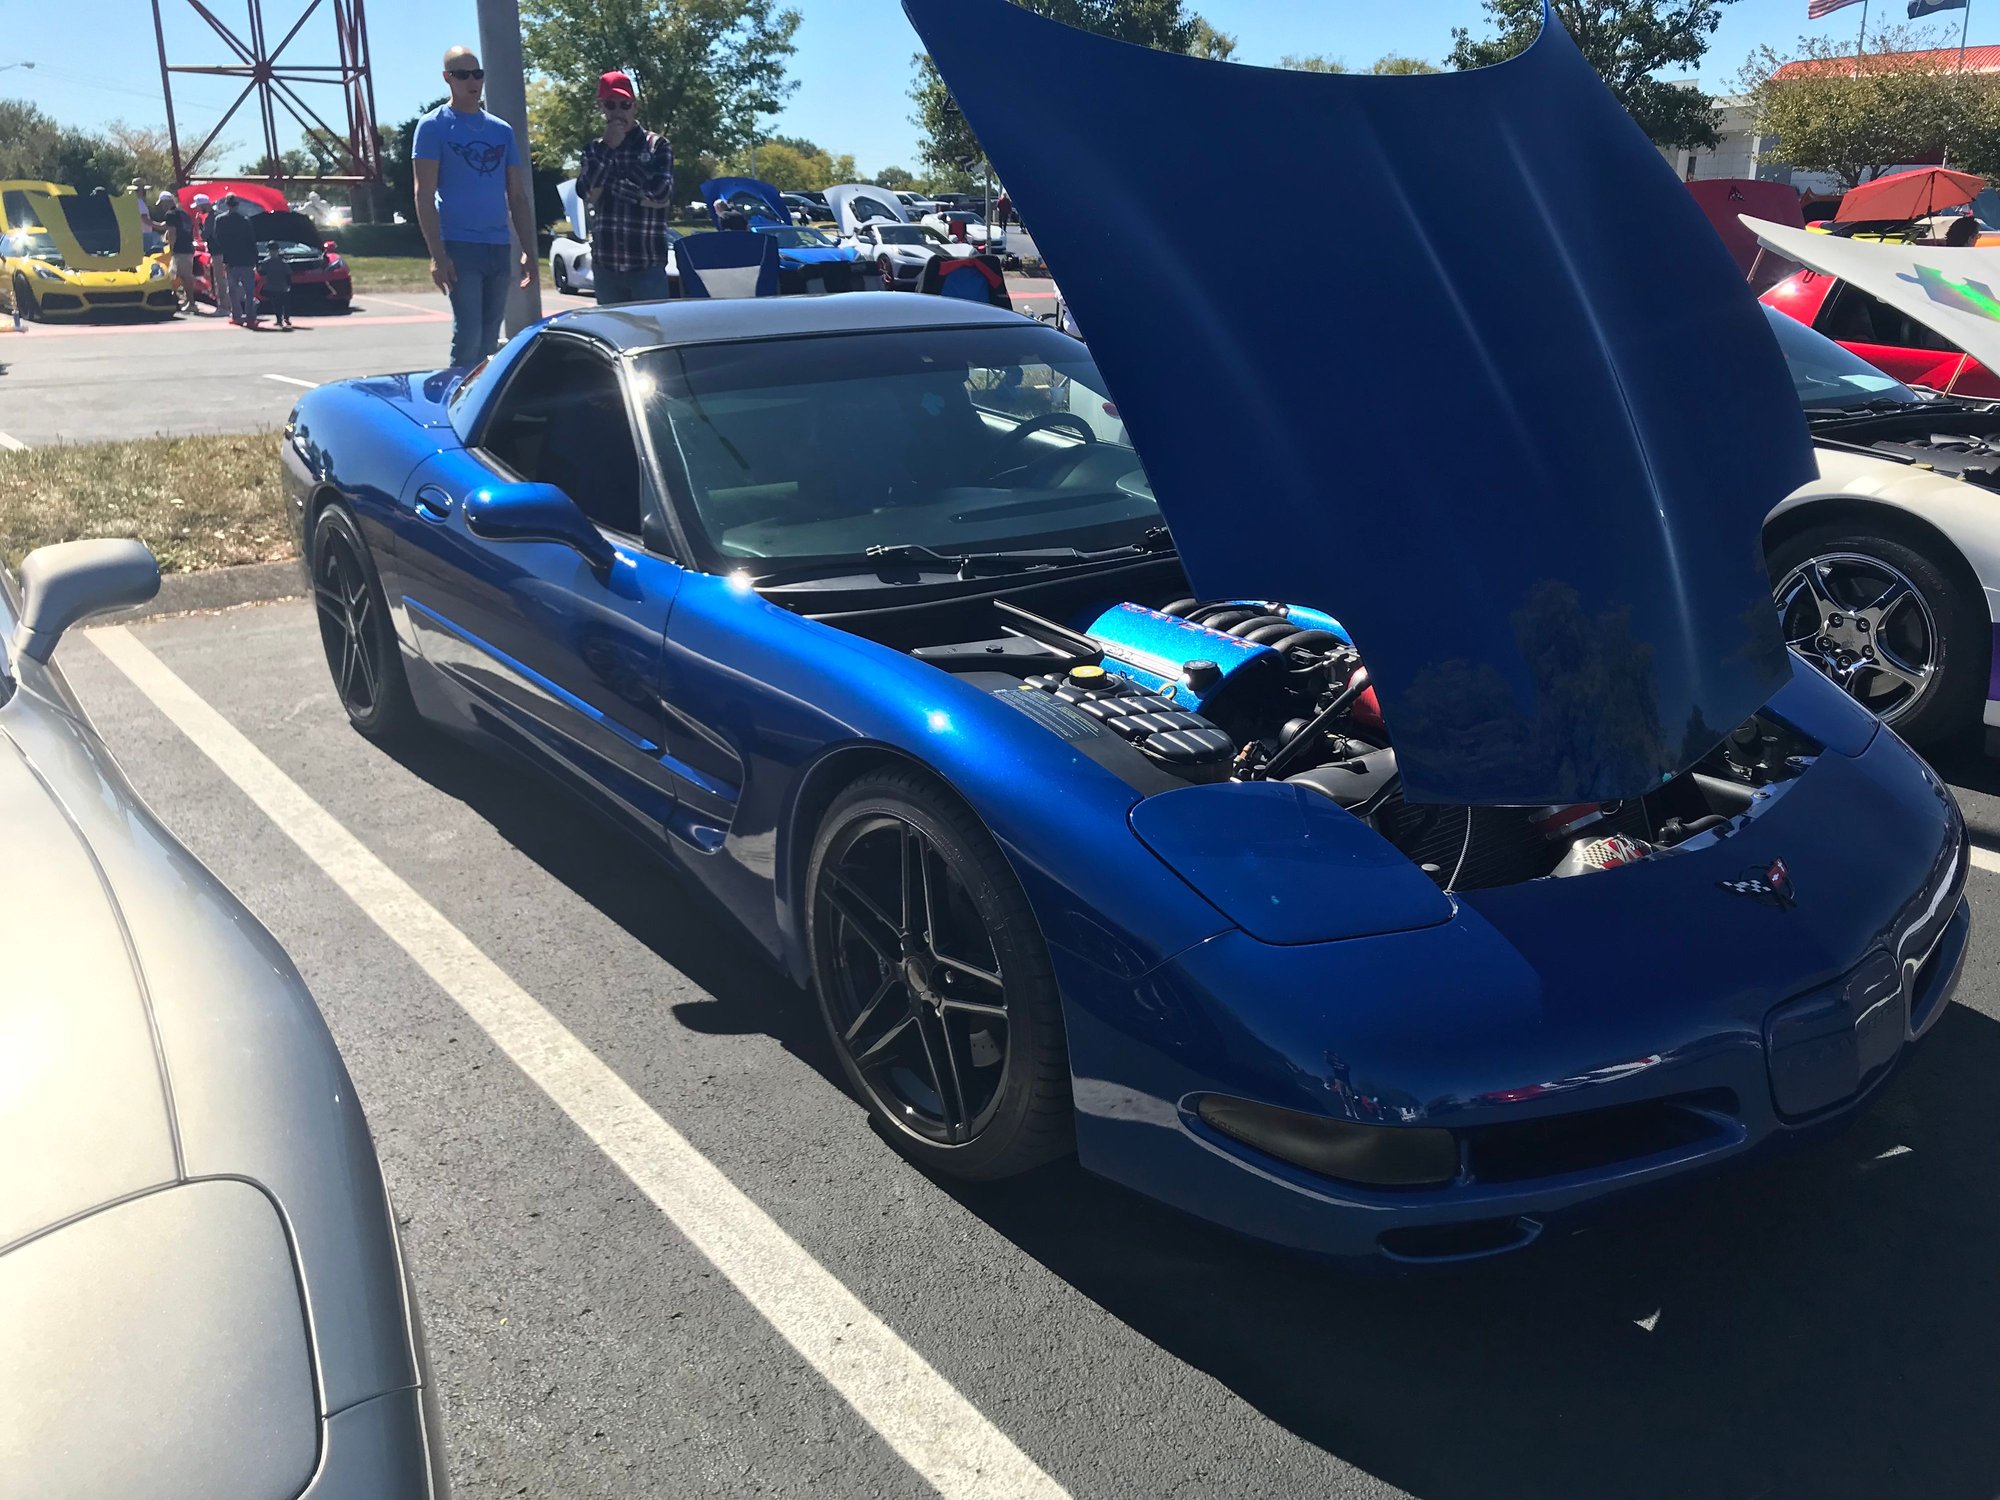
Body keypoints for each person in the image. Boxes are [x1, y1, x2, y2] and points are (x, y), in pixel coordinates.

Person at [412, 45, 535, 365]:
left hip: (497, 244)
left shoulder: (501, 130)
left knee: (489, 339)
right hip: (459, 245)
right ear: (447, 79)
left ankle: (479, 407)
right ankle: (454, 406)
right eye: (462, 74)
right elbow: (423, 195)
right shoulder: (433, 126)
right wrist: (438, 256)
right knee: (468, 337)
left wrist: (527, 250)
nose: (472, 81)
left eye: (477, 74)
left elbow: (517, 196)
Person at [576, 70, 676, 305]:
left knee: (653, 336)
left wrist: (620, 188)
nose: (618, 112)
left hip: (646, 264)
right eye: (611, 105)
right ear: (602, 108)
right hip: (606, 266)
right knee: (613, 336)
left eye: (625, 104)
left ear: (635, 107)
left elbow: (662, 194)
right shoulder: (593, 150)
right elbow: (588, 193)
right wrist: (609, 148)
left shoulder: (657, 145)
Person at [206, 195, 261, 327]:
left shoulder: (220, 220)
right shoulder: (245, 220)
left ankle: (237, 316)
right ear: (237, 205)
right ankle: (250, 318)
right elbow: (251, 241)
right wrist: (256, 259)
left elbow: (217, 239)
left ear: (226, 204)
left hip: (230, 259)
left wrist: (226, 255)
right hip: (246, 259)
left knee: (233, 289)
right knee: (249, 290)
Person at [155, 191, 200, 315]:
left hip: (179, 249)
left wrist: (171, 248)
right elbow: (164, 226)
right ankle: (188, 301)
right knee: (183, 276)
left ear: (167, 202)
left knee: (183, 277)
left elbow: (172, 232)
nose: (162, 206)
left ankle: (191, 303)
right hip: (188, 248)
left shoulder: (170, 214)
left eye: (163, 203)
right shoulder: (183, 213)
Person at [258, 240, 294, 330]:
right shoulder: (267, 262)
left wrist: (289, 284)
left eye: (274, 251)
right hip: (272, 286)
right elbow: (261, 272)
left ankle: (286, 318)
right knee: (276, 304)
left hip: (282, 287)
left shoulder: (281, 262)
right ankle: (279, 319)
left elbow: (288, 275)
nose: (273, 253)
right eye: (271, 251)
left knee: (284, 304)